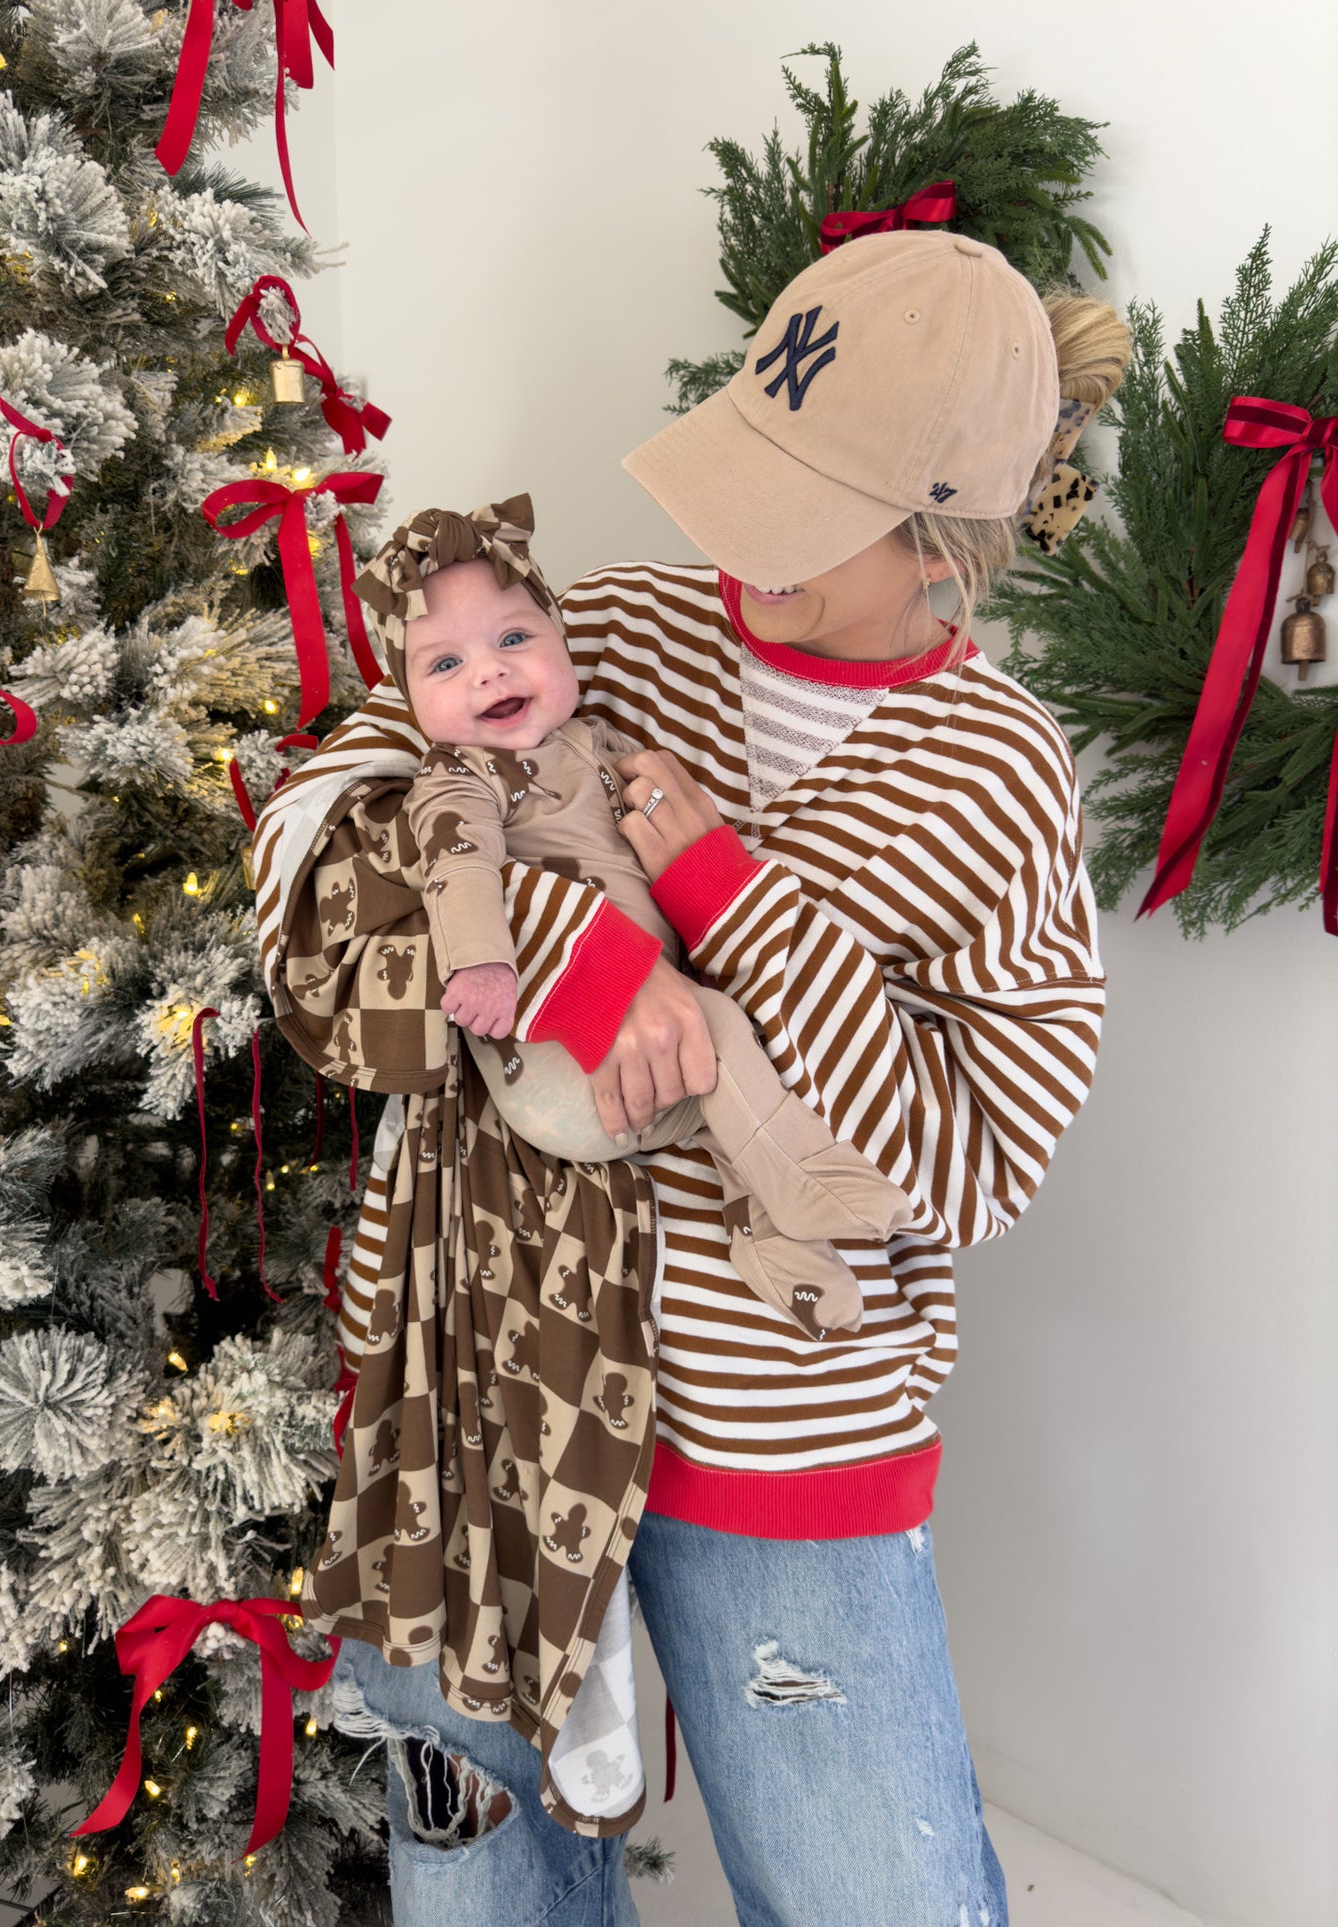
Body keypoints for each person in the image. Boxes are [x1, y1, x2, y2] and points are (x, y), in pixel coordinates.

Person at [291, 230, 1128, 1925]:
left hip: (785, 1439)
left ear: (943, 544)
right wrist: (583, 956)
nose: (739, 552)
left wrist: (736, 906)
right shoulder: (602, 627)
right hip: (483, 1400)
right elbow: (312, 868)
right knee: (478, 1885)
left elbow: (973, 1168)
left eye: (811, 520)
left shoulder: (996, 780)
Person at [352, 497, 915, 1341]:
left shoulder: (595, 742)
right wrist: (482, 964)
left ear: (561, 638)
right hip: (555, 1059)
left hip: (638, 1056)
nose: (488, 673)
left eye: (514, 639)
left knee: (726, 1096)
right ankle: (805, 1178)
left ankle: (787, 1262)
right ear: (408, 702)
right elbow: (456, 861)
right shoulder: (460, 774)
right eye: (443, 664)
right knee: (721, 1031)